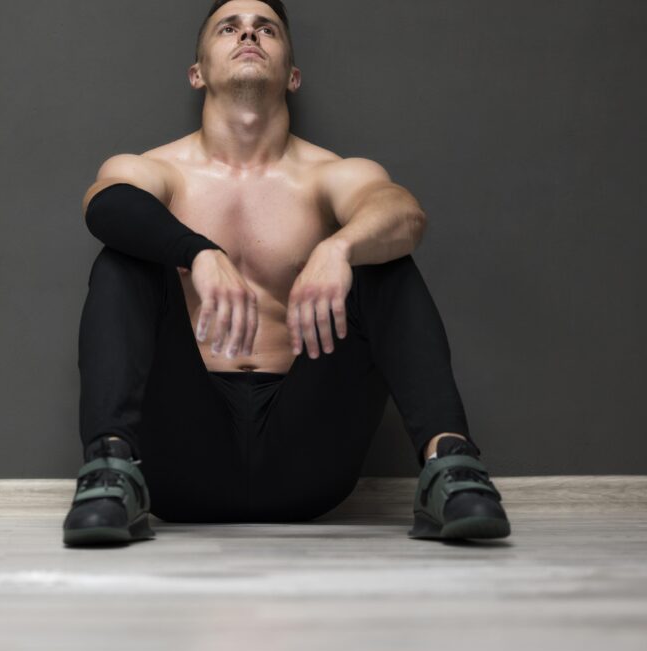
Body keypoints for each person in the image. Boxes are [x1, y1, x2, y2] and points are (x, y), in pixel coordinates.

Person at [63, 0, 510, 546]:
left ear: (292, 75)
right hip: (179, 458)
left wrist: (340, 247)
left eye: (265, 29)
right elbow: (106, 207)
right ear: (197, 72)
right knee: (124, 253)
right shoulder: (153, 170)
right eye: (229, 27)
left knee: (381, 254)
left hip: (309, 457)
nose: (248, 33)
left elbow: (404, 214)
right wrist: (198, 251)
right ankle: (110, 467)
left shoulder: (331, 175)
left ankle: (453, 466)